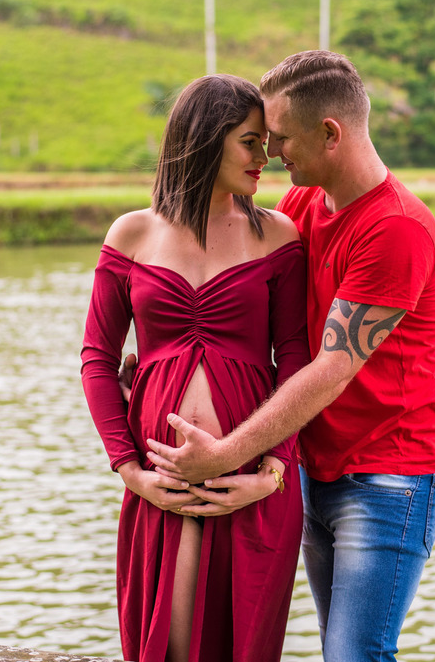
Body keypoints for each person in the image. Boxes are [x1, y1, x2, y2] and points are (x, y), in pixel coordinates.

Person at [147, 50, 435, 662]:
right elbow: (250, 314)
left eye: (281, 138)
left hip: (390, 478)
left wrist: (227, 454)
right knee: (336, 650)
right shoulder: (303, 207)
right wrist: (165, 357)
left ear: (330, 134)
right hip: (315, 468)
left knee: (354, 656)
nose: (270, 154)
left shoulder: (396, 228)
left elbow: (330, 368)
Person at [79, 74, 310, 662]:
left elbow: (298, 361)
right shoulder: (133, 234)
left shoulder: (277, 234)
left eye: (266, 143)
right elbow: (98, 360)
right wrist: (129, 469)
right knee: (169, 647)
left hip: (253, 481)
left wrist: (274, 471)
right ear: (207, 139)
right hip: (161, 484)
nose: (266, 158)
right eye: (250, 142)